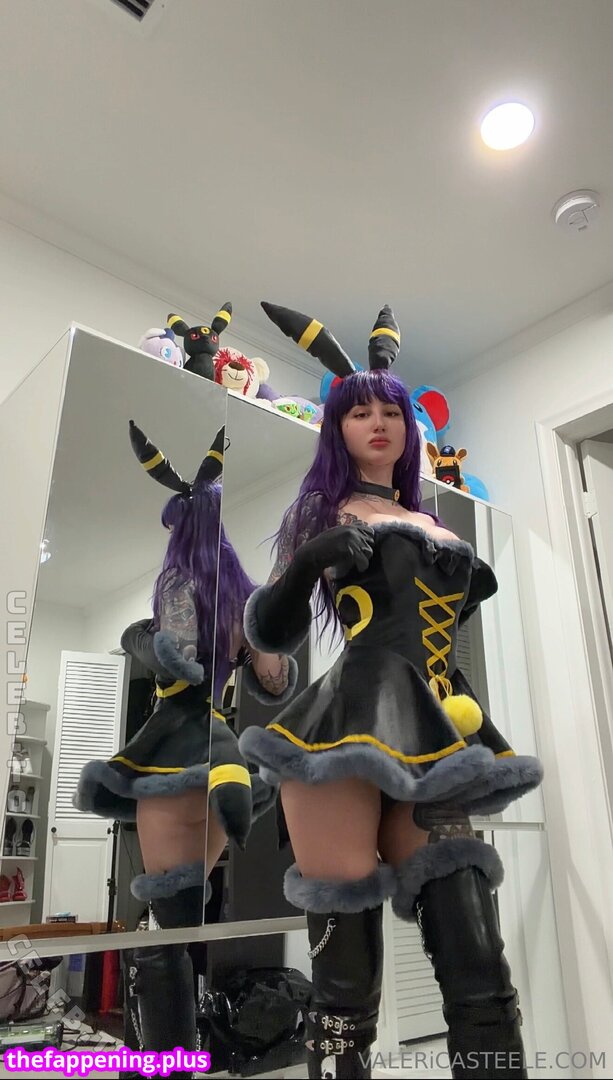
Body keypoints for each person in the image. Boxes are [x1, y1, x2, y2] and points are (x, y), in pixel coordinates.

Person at [239, 302, 543, 1080]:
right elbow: (269, 631)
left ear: (409, 427)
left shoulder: (431, 519)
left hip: (433, 729)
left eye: (390, 412)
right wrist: (311, 559)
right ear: (335, 428)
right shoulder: (322, 510)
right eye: (358, 412)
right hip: (344, 728)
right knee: (344, 990)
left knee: (479, 970)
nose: (377, 423)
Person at [75, 421, 290, 1076]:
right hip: (219, 755)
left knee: (170, 925)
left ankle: (173, 1062)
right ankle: (181, 1053)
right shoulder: (241, 597)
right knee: (189, 915)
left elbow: (186, 660)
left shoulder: (176, 586)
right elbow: (274, 679)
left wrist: (146, 637)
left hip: (177, 754)